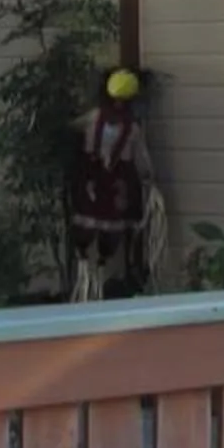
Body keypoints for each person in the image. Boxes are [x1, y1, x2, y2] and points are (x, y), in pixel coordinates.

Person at [68, 67, 167, 300]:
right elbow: (72, 128)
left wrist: (147, 176)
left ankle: (97, 282)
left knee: (109, 230)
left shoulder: (130, 128)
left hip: (112, 181)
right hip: (94, 178)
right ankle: (86, 279)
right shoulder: (95, 119)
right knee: (89, 226)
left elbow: (140, 155)